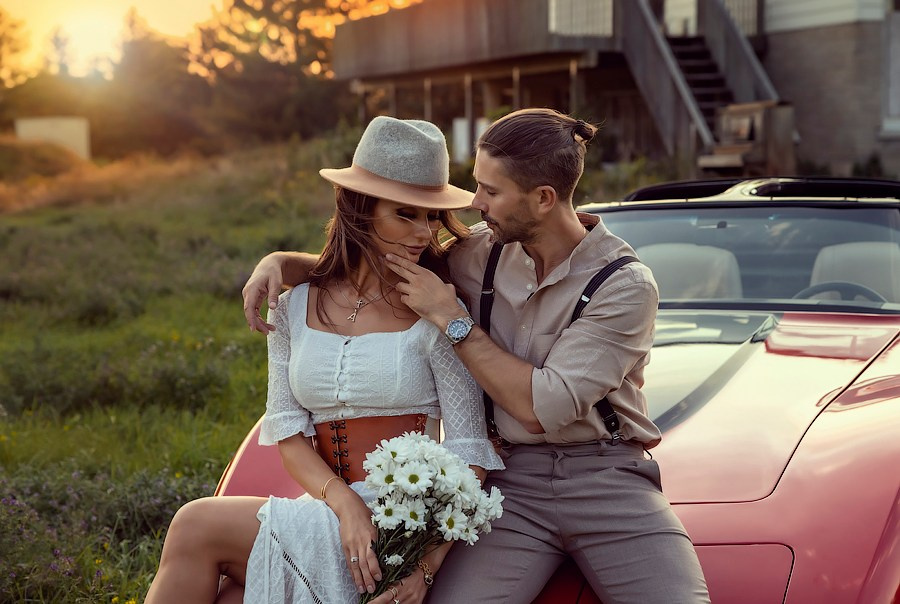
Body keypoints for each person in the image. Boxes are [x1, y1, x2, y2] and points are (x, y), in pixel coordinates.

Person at [243, 108, 711, 603]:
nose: (473, 202)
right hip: (508, 484)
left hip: (607, 477)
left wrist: (453, 320)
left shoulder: (624, 286)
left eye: (490, 191)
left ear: (543, 199)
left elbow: (541, 408)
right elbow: (372, 260)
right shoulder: (479, 254)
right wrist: (281, 263)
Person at [146, 116, 504, 604]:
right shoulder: (293, 305)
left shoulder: (439, 311)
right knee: (231, 597)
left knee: (195, 524)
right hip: (329, 508)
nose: (423, 233)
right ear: (360, 210)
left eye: (430, 217)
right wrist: (345, 503)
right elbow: (290, 434)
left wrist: (424, 561)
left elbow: (470, 454)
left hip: (401, 520)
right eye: (405, 214)